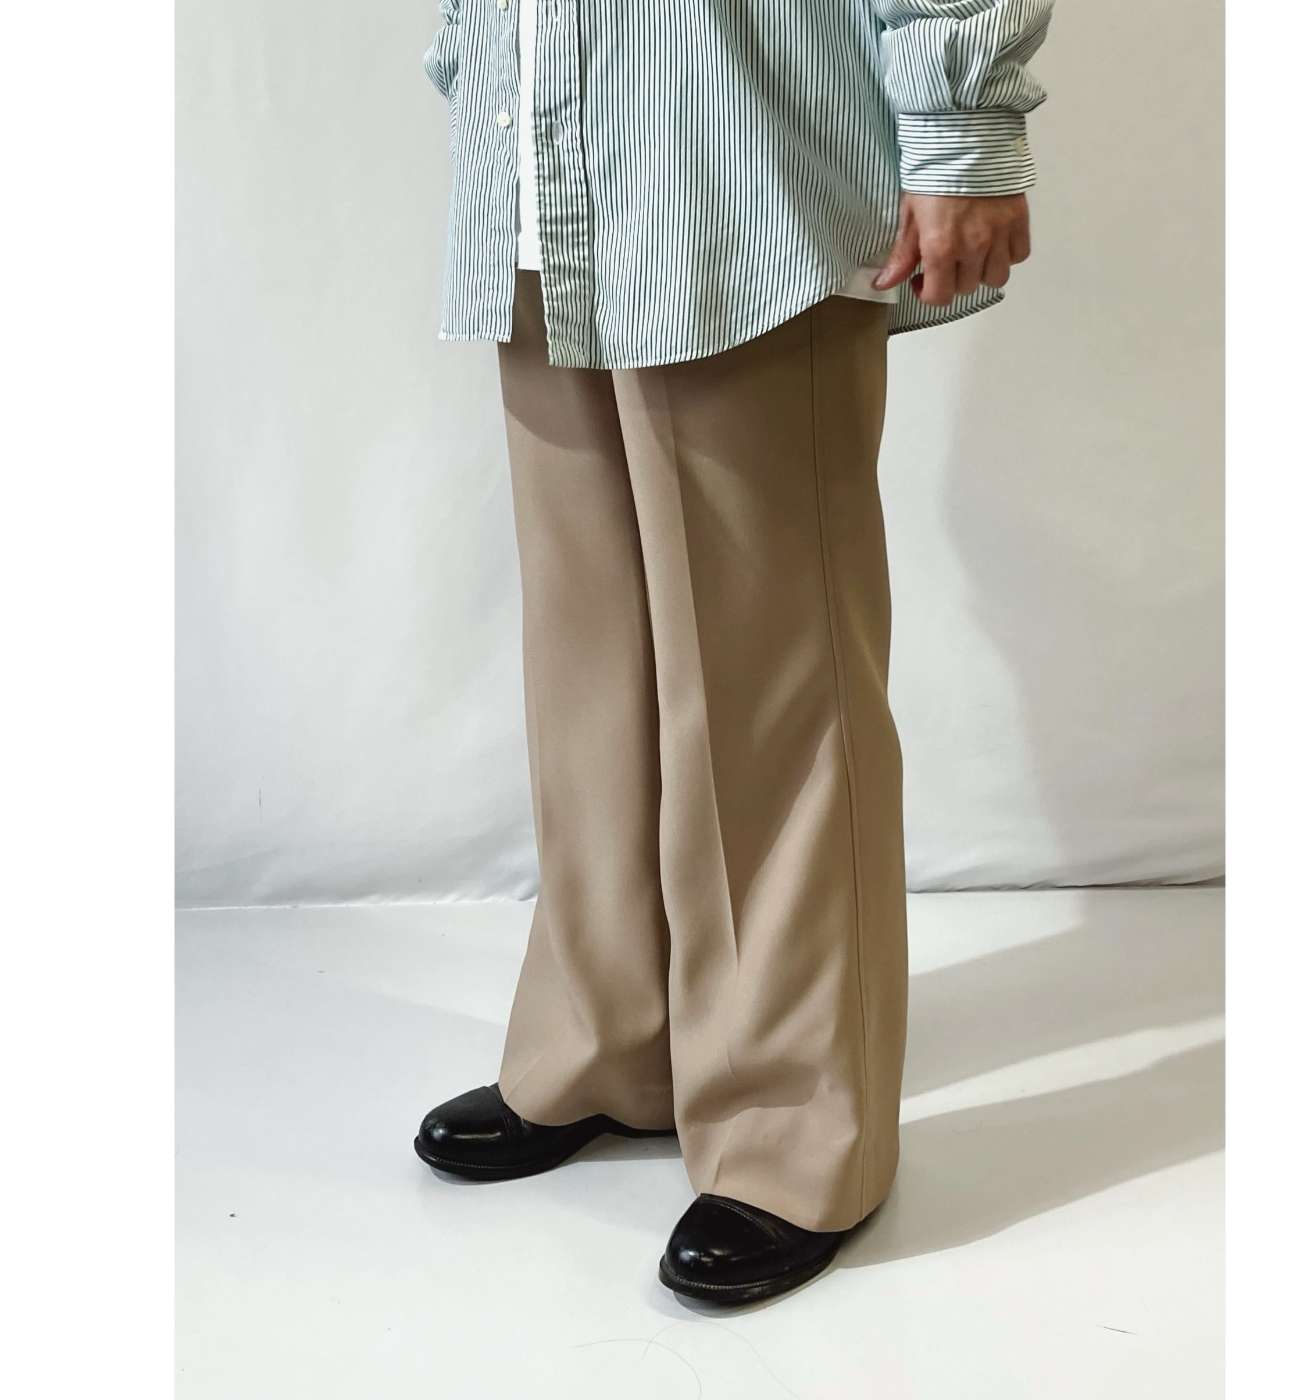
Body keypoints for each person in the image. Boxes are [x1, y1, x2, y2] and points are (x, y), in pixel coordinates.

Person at [413, 0, 1054, 1305]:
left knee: (772, 676)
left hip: (731, 165)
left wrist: (961, 124)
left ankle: (797, 1126)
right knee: (591, 664)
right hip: (539, 160)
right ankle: (614, 1037)